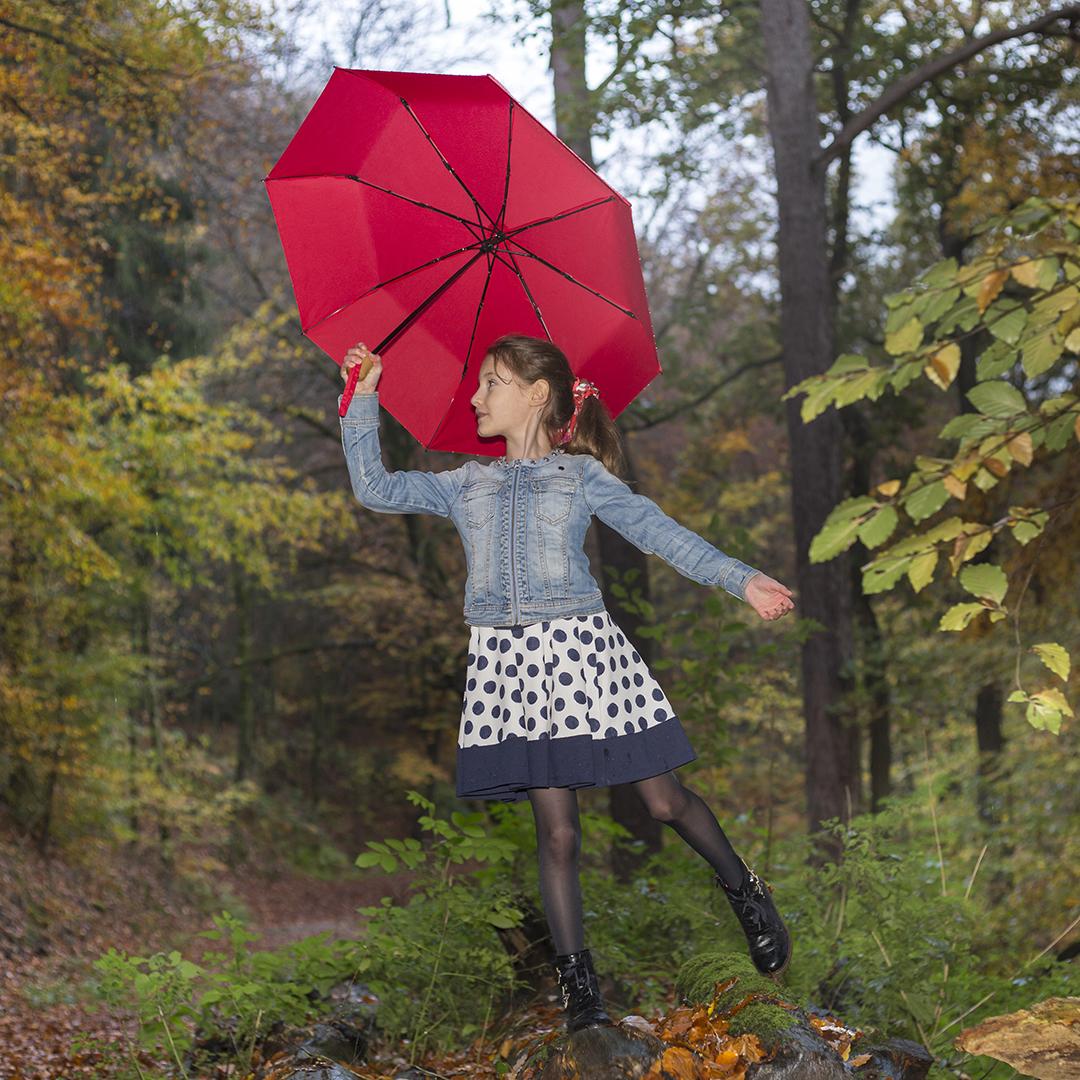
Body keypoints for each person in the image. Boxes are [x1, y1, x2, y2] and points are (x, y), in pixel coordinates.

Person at [339, 333, 795, 1034]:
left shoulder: (581, 478)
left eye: (491, 383)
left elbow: (660, 534)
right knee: (557, 835)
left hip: (584, 651)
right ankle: (582, 994)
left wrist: (742, 579)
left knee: (665, 802)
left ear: (536, 394)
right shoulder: (467, 484)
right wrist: (363, 394)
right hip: (511, 668)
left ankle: (746, 891)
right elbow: (375, 488)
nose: (475, 396)